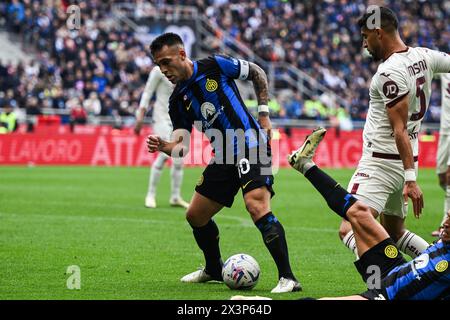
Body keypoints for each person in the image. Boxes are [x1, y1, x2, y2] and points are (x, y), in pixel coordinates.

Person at [146, 33, 301, 293]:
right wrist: (165, 146)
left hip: (251, 143)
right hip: (224, 156)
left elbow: (257, 72)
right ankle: (214, 269)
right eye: (159, 65)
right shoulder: (177, 100)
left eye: (167, 62)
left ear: (182, 55)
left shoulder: (214, 65)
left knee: (256, 206)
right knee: (196, 215)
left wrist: (264, 114)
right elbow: (181, 146)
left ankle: (288, 278)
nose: (164, 70)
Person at [233, 127, 450, 300]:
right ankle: (305, 165)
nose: (445, 223)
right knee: (359, 213)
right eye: (448, 217)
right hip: (391, 267)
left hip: (386, 295)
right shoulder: (445, 242)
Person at [337, 7, 450, 260]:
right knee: (395, 232)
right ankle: (440, 266)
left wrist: (411, 181)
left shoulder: (388, 72)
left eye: (366, 36)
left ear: (379, 33)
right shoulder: (424, 56)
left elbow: (398, 129)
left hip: (380, 163)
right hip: (407, 160)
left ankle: (389, 273)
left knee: (348, 229)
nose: (364, 44)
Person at [135, 65, 189, 209]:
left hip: (177, 120)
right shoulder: (158, 71)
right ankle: (150, 195)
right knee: (165, 154)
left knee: (178, 159)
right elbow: (147, 92)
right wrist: (140, 116)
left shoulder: (183, 70)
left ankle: (175, 197)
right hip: (160, 118)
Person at [433, 73, 450, 237]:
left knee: (449, 177)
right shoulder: (445, 68)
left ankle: (445, 224)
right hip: (445, 131)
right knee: (441, 177)